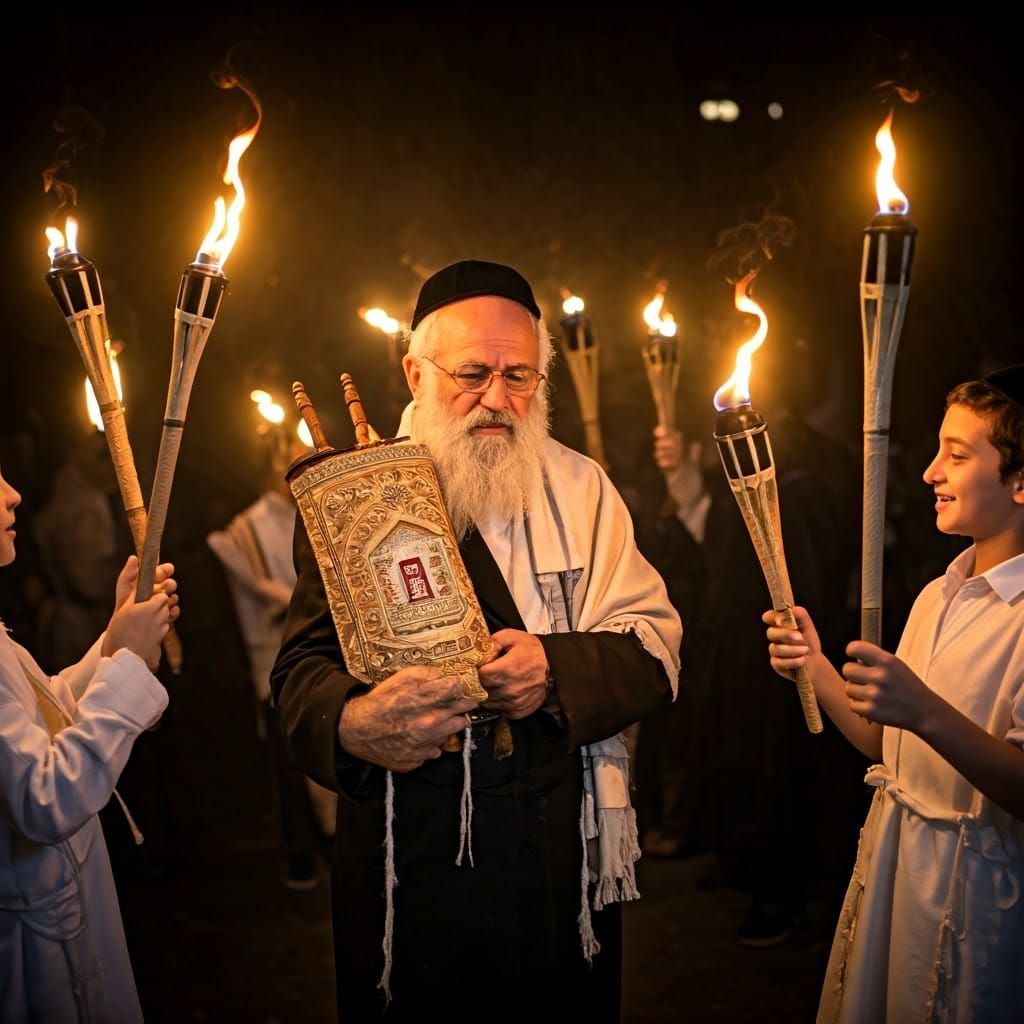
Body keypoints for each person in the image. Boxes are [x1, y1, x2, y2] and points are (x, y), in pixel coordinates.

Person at [271, 258, 682, 1022]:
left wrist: (554, 669)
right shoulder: (349, 493)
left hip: (554, 839)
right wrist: (356, 724)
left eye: (519, 376)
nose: (497, 398)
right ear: (414, 373)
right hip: (410, 840)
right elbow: (300, 675)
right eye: (473, 372)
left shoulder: (585, 488)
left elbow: (652, 648)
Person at [763, 364, 1024, 1021]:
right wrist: (815, 665)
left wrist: (927, 712)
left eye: (958, 455)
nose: (930, 472)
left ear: (1020, 481)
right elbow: (889, 745)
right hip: (896, 866)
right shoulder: (939, 594)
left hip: (978, 887)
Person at [0, 463, 180, 1022]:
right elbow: (44, 795)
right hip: (35, 960)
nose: (14, 493)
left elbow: (41, 711)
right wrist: (125, 660)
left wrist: (114, 639)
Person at [207, 434, 336, 889]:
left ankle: (330, 845)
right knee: (291, 763)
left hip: (325, 655)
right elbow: (264, 588)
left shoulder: (315, 507)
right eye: (288, 460)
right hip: (276, 655)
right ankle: (301, 853)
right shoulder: (248, 527)